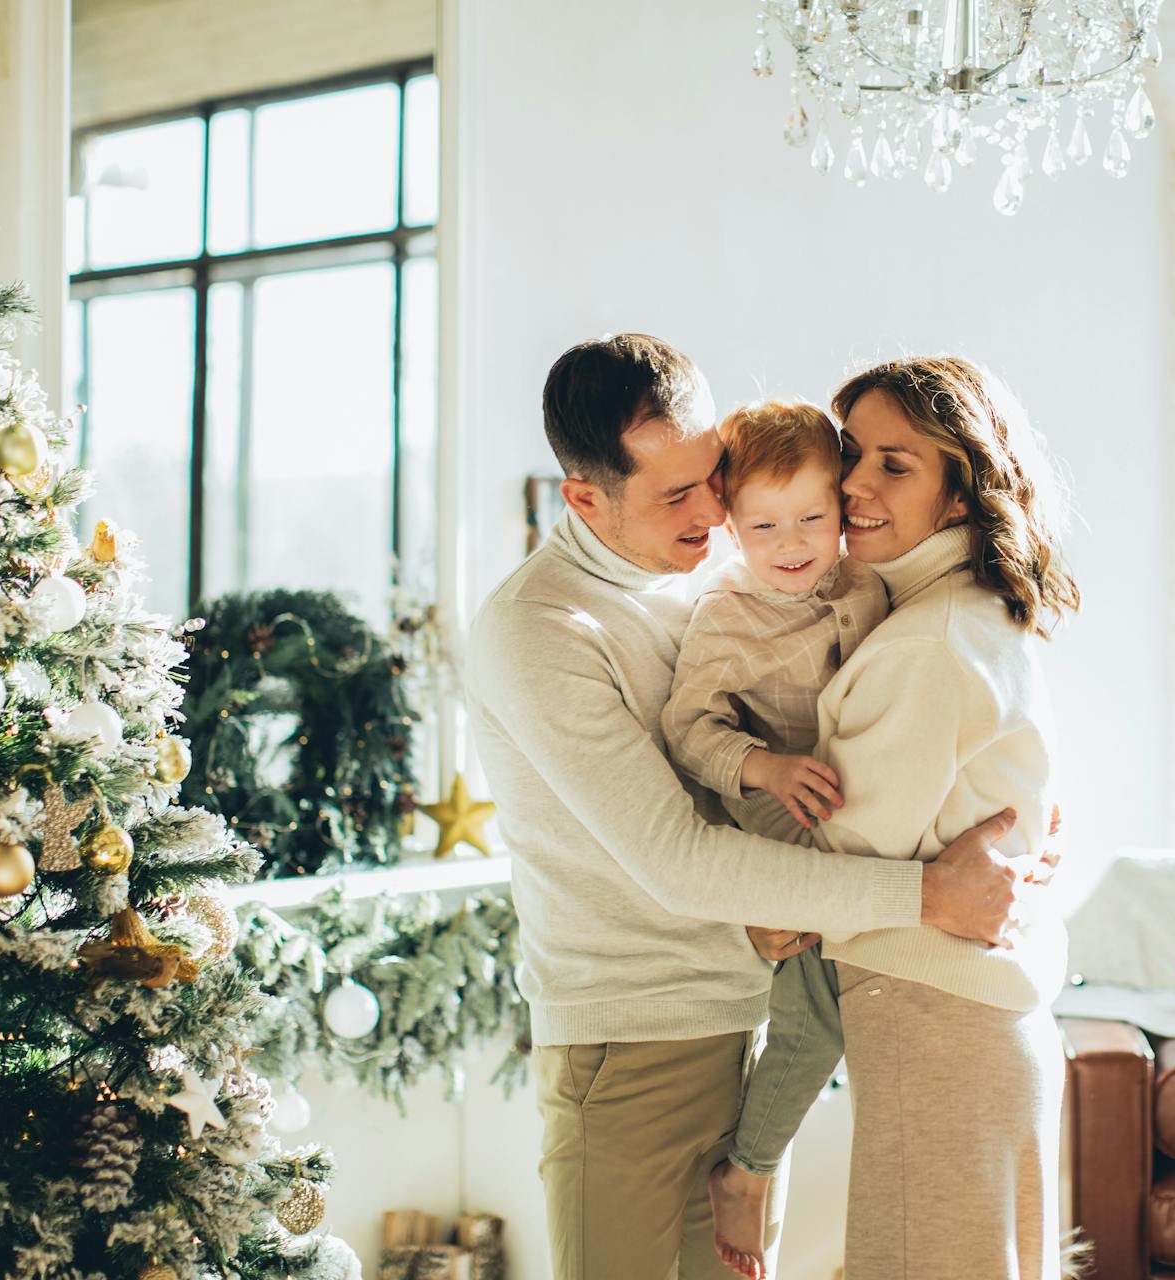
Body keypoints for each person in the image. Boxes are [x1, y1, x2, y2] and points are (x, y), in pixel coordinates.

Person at [463, 335, 1040, 1280]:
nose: (715, 513)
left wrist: (1009, 818)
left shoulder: (716, 575)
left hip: (746, 1019)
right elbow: (678, 860)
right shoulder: (540, 630)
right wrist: (928, 896)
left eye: (711, 480)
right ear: (583, 498)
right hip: (631, 1046)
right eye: (676, 497)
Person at [715, 355, 1083, 1280]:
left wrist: (768, 908)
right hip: (973, 1029)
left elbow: (841, 866)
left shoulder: (928, 643)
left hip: (938, 1030)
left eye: (896, 463)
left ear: (960, 495)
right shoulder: (960, 614)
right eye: (853, 455)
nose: (855, 484)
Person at [658, 400, 886, 1267]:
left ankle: (758, 1167)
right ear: (726, 518)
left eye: (812, 519)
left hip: (854, 809)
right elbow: (689, 730)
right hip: (778, 810)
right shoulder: (726, 615)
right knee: (814, 1014)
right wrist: (763, 766)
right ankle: (748, 1172)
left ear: (842, 509)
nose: (790, 543)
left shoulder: (866, 585)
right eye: (763, 524)